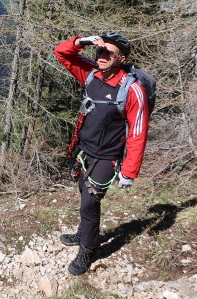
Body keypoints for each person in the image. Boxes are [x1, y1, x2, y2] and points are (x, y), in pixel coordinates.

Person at [54, 32, 149, 275]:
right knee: (83, 195)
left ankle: (88, 249)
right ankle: (85, 232)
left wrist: (128, 172)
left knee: (89, 202)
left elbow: (138, 132)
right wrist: (82, 42)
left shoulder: (132, 90)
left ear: (122, 58)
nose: (102, 55)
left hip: (107, 156)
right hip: (84, 149)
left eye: (109, 52)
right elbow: (61, 53)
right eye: (100, 50)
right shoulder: (92, 74)